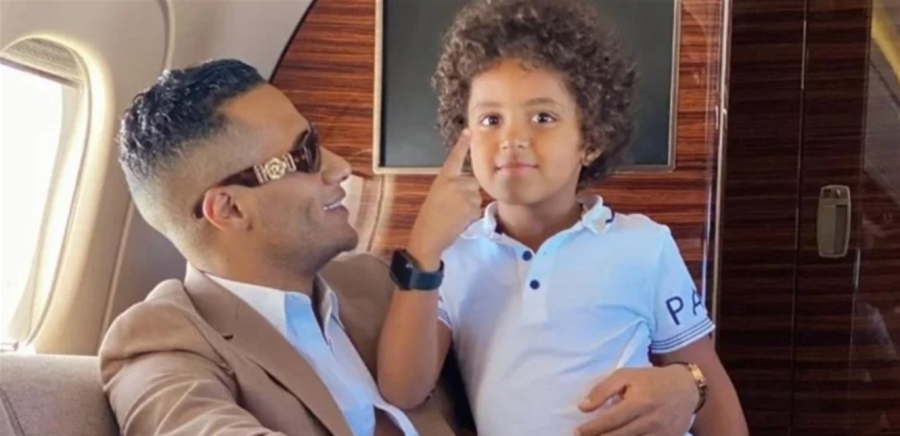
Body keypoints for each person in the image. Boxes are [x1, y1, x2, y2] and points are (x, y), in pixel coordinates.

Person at [99, 58, 704, 436]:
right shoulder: (161, 338)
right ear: (229, 209)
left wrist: (687, 387)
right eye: (304, 155)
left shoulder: (379, 284)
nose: (340, 166)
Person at [375, 1, 749, 436]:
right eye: (491, 119)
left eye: (543, 117)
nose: (512, 138)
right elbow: (403, 389)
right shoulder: (452, 261)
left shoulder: (645, 245)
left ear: (591, 140)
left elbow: (711, 390)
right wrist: (423, 250)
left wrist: (692, 388)